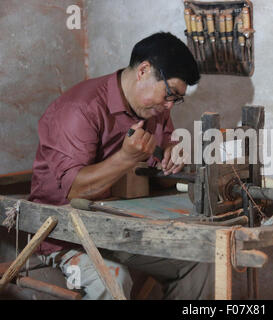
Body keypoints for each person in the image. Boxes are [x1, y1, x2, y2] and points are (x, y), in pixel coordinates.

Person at [28, 32, 213, 300]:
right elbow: (75, 191)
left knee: (199, 261)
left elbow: (160, 173)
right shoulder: (80, 108)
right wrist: (126, 157)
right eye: (169, 94)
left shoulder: (155, 108)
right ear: (143, 71)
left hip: (120, 230)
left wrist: (171, 157)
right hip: (65, 234)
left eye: (176, 99)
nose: (169, 105)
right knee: (114, 279)